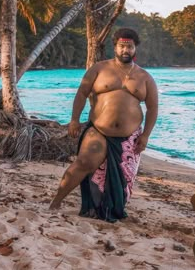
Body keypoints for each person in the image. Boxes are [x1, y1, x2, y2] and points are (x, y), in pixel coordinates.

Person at [49, 28, 158, 222]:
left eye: (130, 46)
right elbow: (82, 93)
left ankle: (108, 210)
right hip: (98, 129)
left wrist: (146, 135)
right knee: (83, 163)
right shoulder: (99, 69)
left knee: (120, 180)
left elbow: (152, 108)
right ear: (115, 47)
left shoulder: (145, 77)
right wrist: (74, 119)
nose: (126, 50)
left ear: (135, 49)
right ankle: (56, 202)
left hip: (129, 137)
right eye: (122, 46)